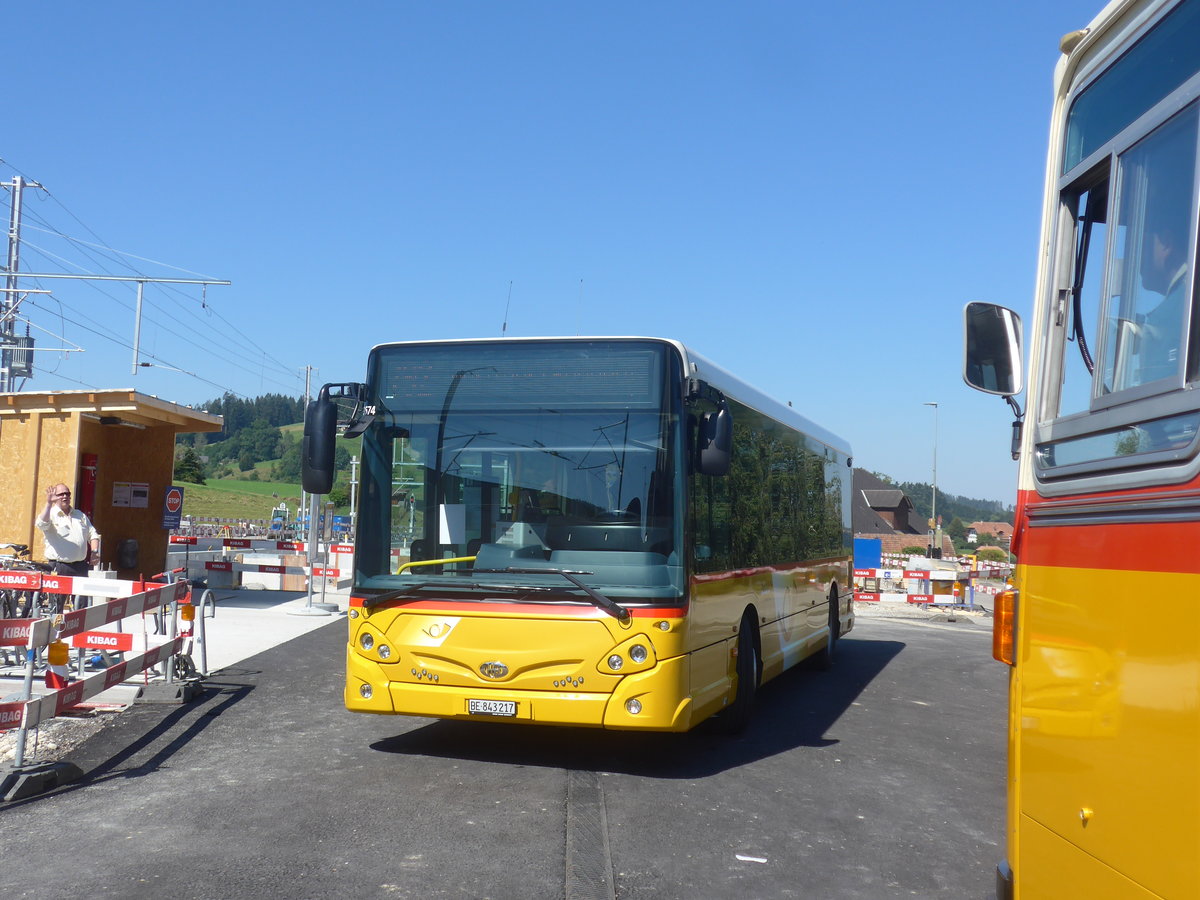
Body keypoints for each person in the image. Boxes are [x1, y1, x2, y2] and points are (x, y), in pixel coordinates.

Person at [35, 482, 100, 610]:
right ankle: (55, 629)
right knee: (56, 606)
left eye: (67, 493)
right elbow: (41, 524)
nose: (65, 496)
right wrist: (48, 503)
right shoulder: (51, 514)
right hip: (59, 567)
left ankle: (80, 630)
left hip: (80, 567)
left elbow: (93, 534)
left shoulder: (79, 515)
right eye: (61, 494)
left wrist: (95, 552)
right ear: (55, 497)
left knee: (81, 606)